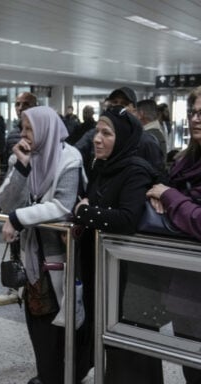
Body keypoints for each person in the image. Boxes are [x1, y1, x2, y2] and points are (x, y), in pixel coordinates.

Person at [74, 105, 162, 383]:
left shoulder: (135, 171)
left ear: (123, 138)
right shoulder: (102, 166)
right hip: (102, 271)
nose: (97, 139)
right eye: (96, 131)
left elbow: (126, 219)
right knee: (109, 340)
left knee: (131, 347)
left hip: (129, 280)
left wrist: (84, 212)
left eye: (106, 133)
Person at [0, 106, 83, 384]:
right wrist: (21, 167)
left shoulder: (69, 159)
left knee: (62, 325)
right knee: (38, 324)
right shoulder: (25, 157)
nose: (23, 134)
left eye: (29, 127)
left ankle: (61, 375)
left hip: (61, 257)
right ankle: (47, 374)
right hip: (32, 257)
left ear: (46, 128)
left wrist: (19, 218)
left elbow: (62, 205)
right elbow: (5, 202)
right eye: (22, 127)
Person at [146, 85, 201, 384]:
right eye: (193, 112)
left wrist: (170, 196)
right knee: (190, 364)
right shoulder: (184, 160)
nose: (195, 119)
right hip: (182, 284)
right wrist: (161, 194)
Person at [0, 91, 37, 306]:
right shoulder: (13, 133)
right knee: (14, 248)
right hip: (16, 202)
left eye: (25, 104)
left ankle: (29, 289)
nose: (20, 107)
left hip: (34, 209)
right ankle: (15, 288)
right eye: (18, 104)